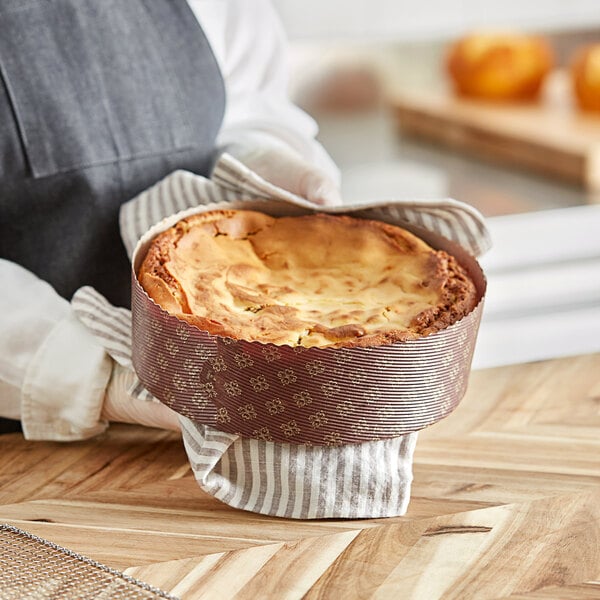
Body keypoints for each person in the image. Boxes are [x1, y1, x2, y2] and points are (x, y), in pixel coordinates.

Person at [0, 0, 341, 438]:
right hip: (22, 450)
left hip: (218, 415)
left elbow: (245, 105)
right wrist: (101, 379)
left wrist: (261, 163)